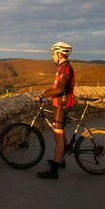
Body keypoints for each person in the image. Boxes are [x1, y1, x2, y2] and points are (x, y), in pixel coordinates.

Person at [34, 41, 75, 179]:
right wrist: (44, 92)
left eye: (53, 53)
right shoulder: (64, 67)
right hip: (61, 103)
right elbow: (56, 87)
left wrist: (43, 95)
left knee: (58, 137)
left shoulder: (64, 69)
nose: (52, 56)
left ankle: (54, 171)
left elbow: (60, 89)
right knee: (60, 133)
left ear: (60, 53)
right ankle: (60, 159)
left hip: (61, 105)